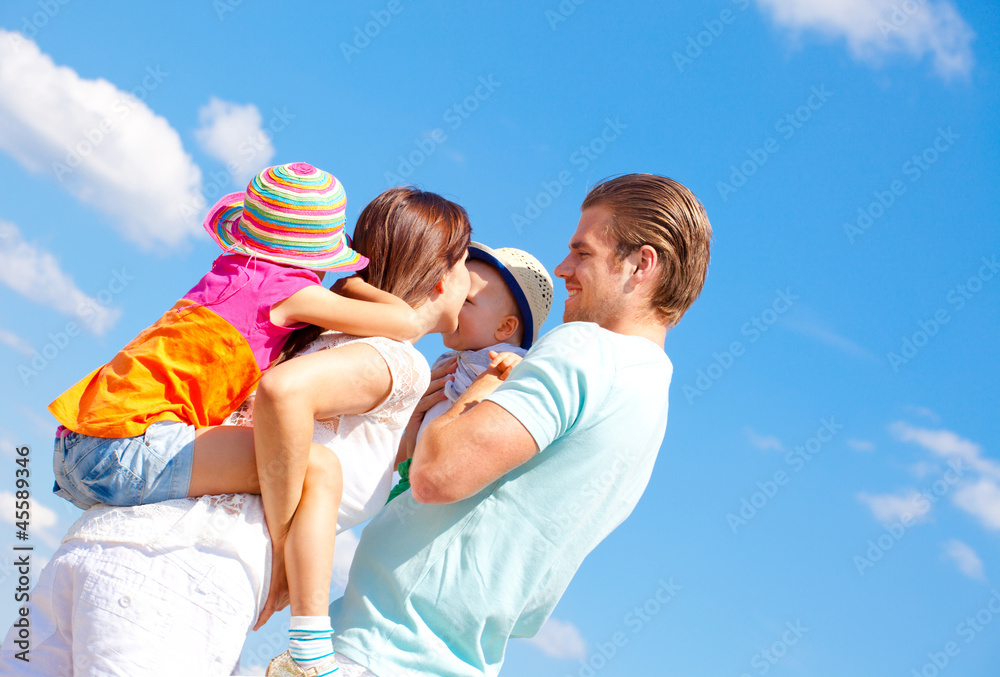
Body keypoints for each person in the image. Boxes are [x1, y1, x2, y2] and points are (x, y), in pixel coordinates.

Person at [0, 187, 473, 677]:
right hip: (183, 579)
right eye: (466, 263)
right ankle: (312, 654)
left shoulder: (296, 335)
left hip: (97, 542)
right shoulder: (398, 360)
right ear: (441, 275)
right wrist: (286, 540)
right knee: (318, 470)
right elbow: (286, 394)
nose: (472, 282)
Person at [326, 173, 713, 677]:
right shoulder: (650, 399)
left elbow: (437, 473)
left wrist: (462, 398)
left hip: (383, 647)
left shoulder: (585, 348)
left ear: (641, 264)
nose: (563, 268)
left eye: (583, 253)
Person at [387, 242, 553, 502]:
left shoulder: (511, 367)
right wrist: (412, 422)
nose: (450, 302)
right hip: (412, 485)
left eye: (466, 300)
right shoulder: (448, 363)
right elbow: (400, 457)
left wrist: (517, 369)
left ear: (505, 327)